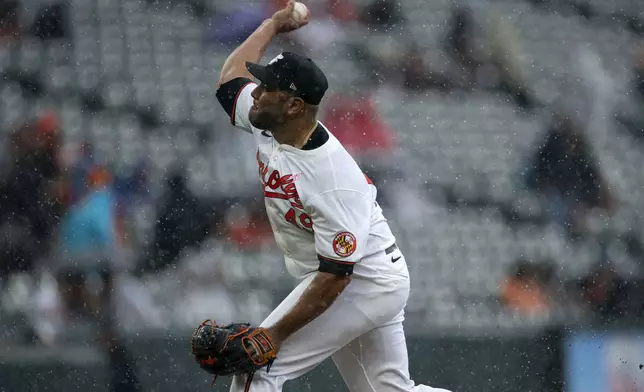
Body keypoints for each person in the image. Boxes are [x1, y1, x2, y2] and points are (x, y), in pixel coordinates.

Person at [214, 2, 452, 391]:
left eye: (267, 89)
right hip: (356, 275)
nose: (255, 94)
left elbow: (334, 279)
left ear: (294, 105)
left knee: (257, 368)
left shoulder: (332, 180)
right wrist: (272, 25)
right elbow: (228, 83)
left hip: (362, 280)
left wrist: (272, 337)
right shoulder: (269, 121)